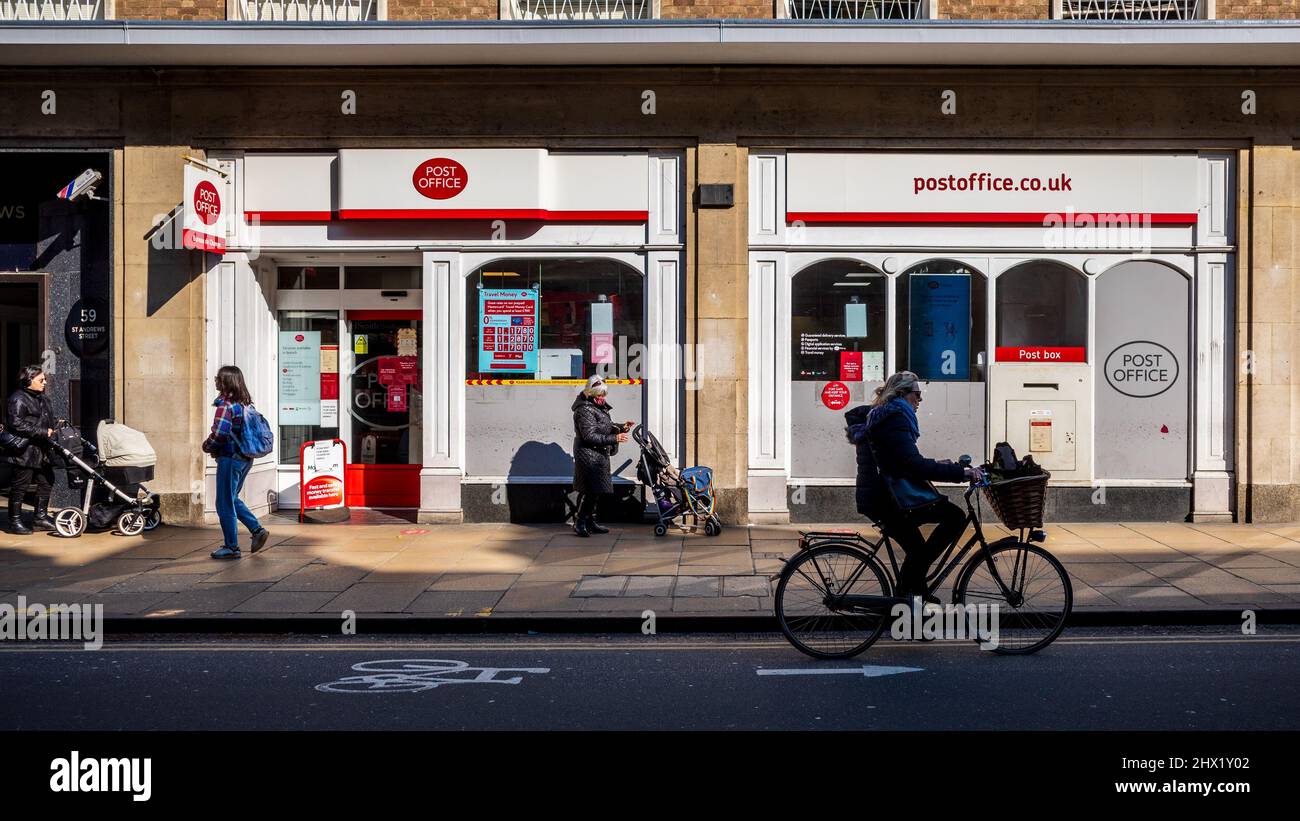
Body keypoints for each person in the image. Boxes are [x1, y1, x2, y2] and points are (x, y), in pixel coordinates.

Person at [846, 371, 984, 603]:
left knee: (918, 549)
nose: (920, 400)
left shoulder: (885, 417)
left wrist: (938, 465)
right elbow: (913, 465)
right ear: (902, 394)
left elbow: (901, 459)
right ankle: (911, 594)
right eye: (917, 395)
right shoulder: (896, 417)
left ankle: (910, 593)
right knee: (953, 518)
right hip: (887, 498)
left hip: (882, 495)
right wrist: (962, 473)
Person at [202, 365, 270, 559]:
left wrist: (207, 445)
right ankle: (257, 530)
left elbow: (220, 433)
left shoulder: (226, 405)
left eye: (218, 378)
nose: (215, 380)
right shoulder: (244, 404)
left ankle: (231, 547)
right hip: (244, 459)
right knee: (231, 498)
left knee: (224, 503)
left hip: (230, 459)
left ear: (226, 382)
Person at [570, 374, 633, 537]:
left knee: (593, 491)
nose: (603, 398)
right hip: (589, 455)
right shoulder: (584, 409)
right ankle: (580, 523)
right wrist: (615, 437)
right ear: (590, 393)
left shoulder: (595, 406)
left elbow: (604, 425)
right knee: (590, 490)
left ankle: (590, 521)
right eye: (600, 395)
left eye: (604, 395)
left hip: (596, 454)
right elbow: (589, 435)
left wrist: (621, 427)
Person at [3, 365, 57, 535]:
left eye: (45, 379)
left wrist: (55, 427)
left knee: (47, 481)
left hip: (42, 450)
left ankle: (40, 518)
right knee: (20, 486)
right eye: (41, 380)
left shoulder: (43, 398)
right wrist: (43, 431)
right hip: (24, 451)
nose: (45, 382)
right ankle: (15, 521)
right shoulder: (18, 398)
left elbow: (48, 419)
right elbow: (16, 423)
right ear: (29, 380)